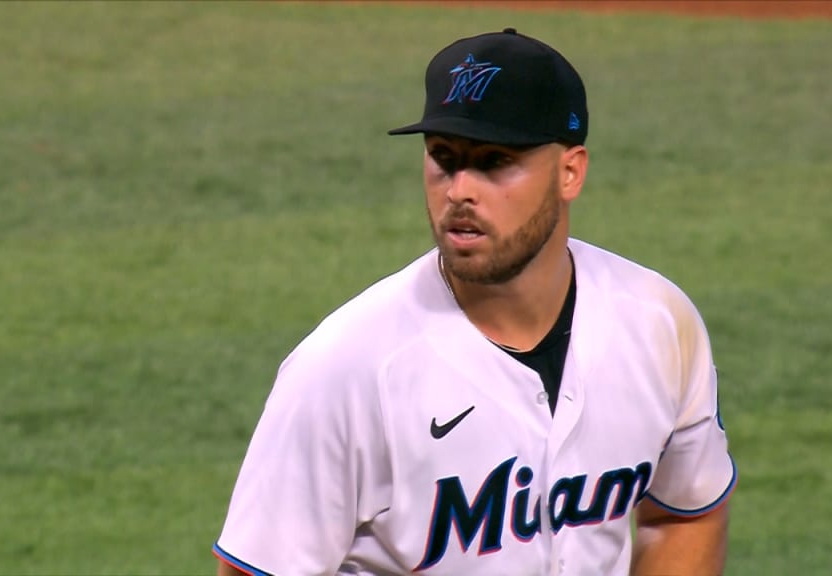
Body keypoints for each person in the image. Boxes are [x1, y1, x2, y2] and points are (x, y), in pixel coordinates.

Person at [213, 28, 736, 576]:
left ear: (570, 172)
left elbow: (684, 514)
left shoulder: (656, 323)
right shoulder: (345, 368)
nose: (459, 188)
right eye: (443, 157)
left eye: (493, 161)